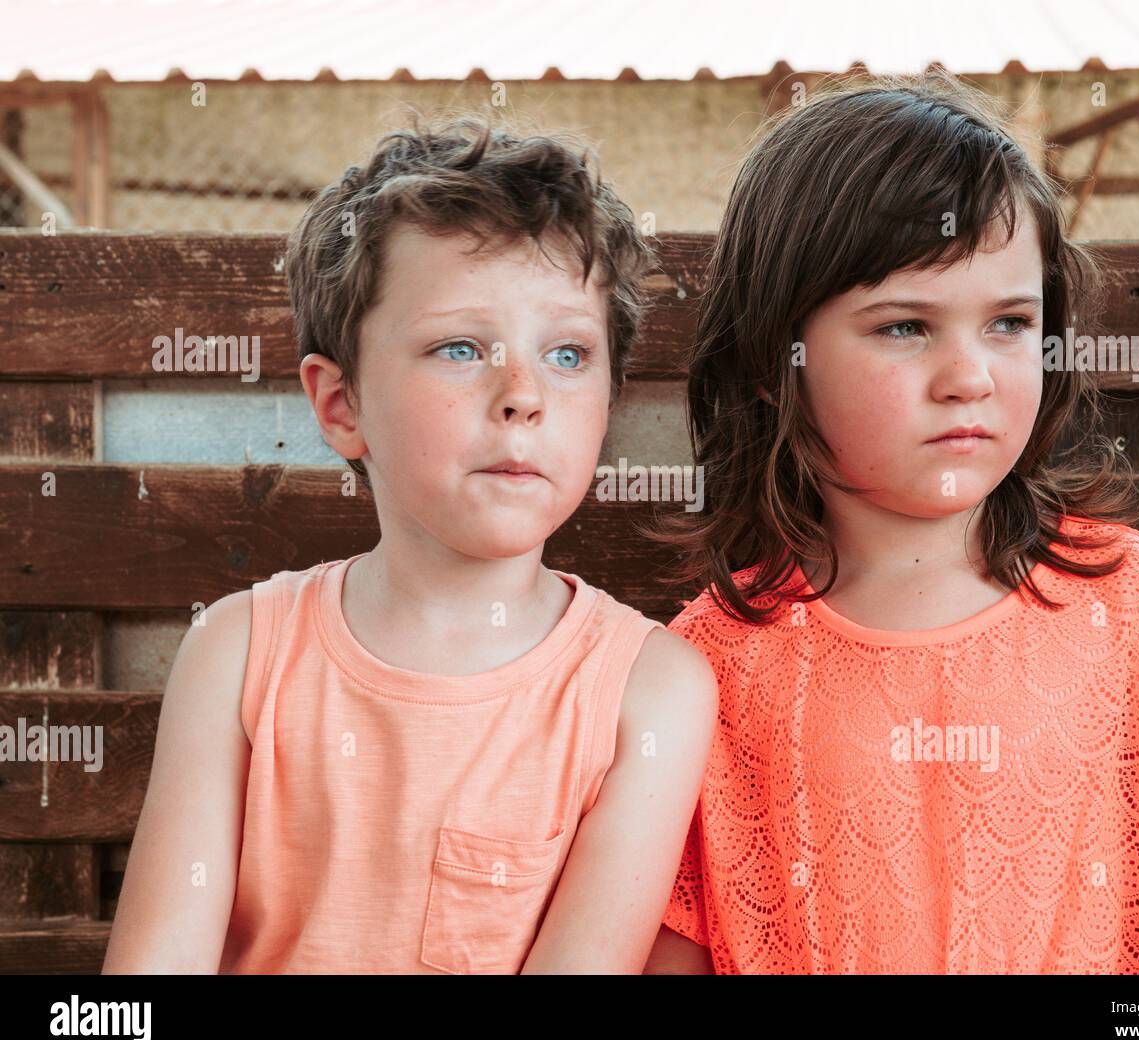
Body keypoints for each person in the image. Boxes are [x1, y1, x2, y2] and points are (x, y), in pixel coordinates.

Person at [641, 73, 1139, 975]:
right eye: (906, 326)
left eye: (1009, 322)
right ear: (772, 361)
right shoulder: (706, 673)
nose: (969, 375)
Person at [103, 114, 717, 975]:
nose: (523, 395)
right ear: (341, 403)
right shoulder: (239, 654)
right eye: (461, 348)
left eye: (569, 353)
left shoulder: (650, 693)